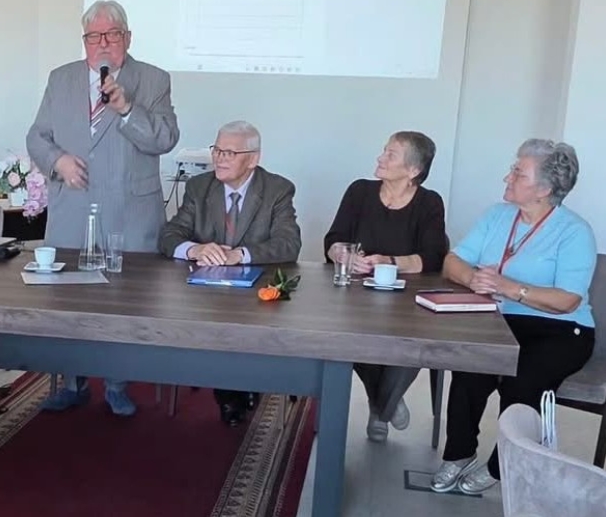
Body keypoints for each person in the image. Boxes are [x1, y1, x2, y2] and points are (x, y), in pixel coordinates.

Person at [26, 0, 179, 417]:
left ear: (127, 38)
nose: (103, 44)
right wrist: (57, 160)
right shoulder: (61, 79)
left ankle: (117, 383)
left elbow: (165, 139)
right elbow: (37, 136)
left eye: (112, 35)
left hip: (130, 212)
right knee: (67, 302)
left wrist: (127, 109)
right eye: (94, 37)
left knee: (123, 306)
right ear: (84, 42)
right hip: (73, 209)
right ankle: (72, 382)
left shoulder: (153, 79)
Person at [431, 139, 596, 496]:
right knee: (469, 364)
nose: (507, 177)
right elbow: (453, 261)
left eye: (518, 173)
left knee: (524, 381)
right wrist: (471, 278)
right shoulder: (497, 215)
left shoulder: (574, 231)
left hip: (562, 330)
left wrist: (510, 287)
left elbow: (568, 300)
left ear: (544, 189)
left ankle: (503, 465)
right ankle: (459, 454)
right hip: (499, 320)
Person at [159, 120, 301, 427]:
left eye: (230, 153)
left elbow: (289, 244)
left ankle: (240, 389)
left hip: (258, 292)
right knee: (214, 322)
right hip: (206, 292)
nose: (219, 159)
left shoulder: (277, 190)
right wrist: (194, 249)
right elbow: (169, 235)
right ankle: (232, 392)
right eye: (217, 150)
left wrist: (240, 254)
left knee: (244, 325)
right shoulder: (199, 187)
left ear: (253, 159)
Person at [324, 131, 446, 442]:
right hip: (357, 296)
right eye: (384, 151)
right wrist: (343, 254)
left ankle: (380, 409)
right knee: (349, 335)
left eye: (390, 155)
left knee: (413, 342)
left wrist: (387, 261)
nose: (380, 158)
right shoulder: (359, 192)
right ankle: (387, 403)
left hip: (408, 300)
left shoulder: (429, 203)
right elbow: (333, 239)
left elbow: (433, 258)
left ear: (413, 170)